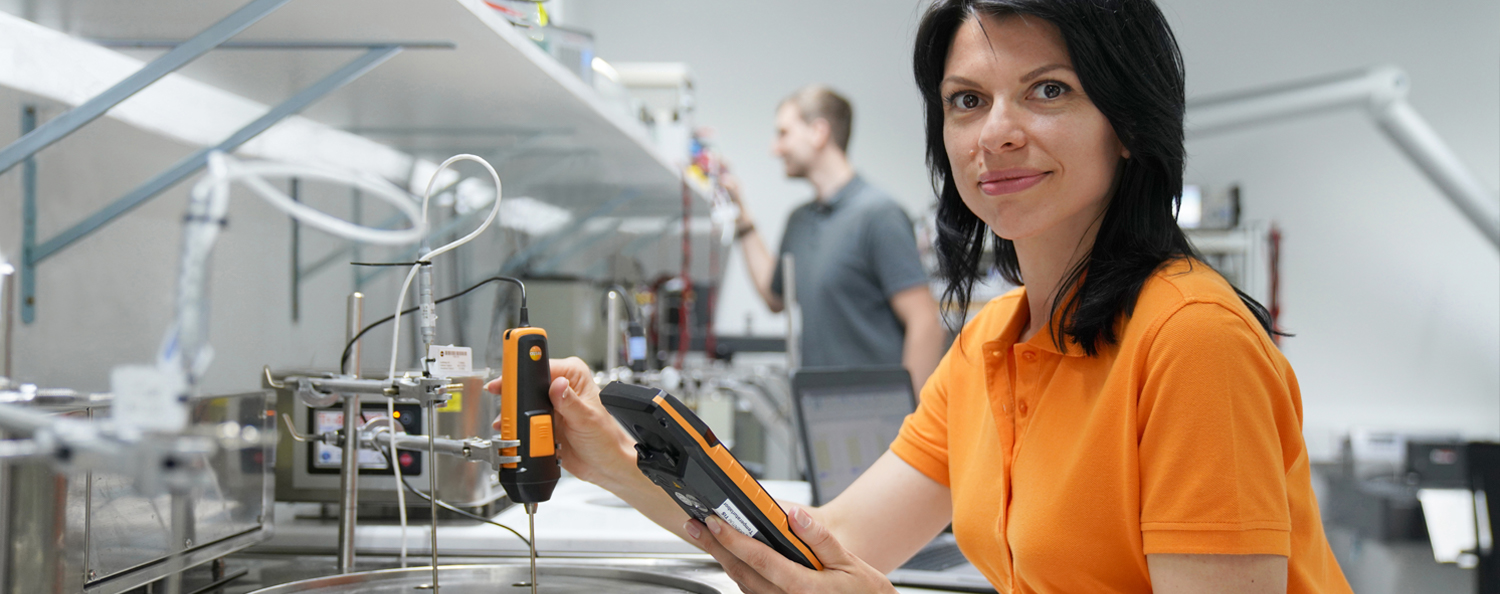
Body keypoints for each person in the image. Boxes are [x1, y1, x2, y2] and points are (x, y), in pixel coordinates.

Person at [490, 0, 1355, 592]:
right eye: (966, 101)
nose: (997, 131)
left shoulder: (1192, 341)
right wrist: (610, 456)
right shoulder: (990, 347)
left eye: (1048, 90)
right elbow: (811, 552)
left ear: (1128, 125)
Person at [725, 85, 945, 392]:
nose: (775, 148)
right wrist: (741, 217)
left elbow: (925, 325)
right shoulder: (799, 221)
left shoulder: (879, 215)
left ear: (818, 132)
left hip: (877, 417)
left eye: (784, 133)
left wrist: (910, 426)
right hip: (820, 412)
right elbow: (774, 297)